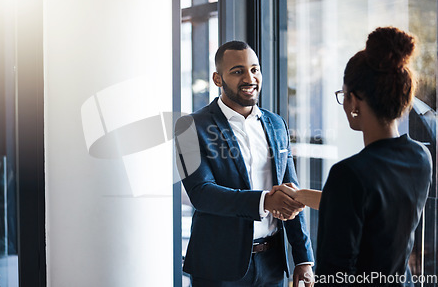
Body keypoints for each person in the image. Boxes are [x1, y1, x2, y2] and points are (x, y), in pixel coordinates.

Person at [175, 40, 314, 287]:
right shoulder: (189, 128)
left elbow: (291, 190)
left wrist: (303, 259)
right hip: (218, 267)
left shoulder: (277, 123)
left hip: (272, 265)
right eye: (238, 71)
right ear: (218, 79)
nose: (250, 78)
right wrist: (265, 201)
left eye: (255, 69)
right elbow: (202, 194)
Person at [313, 27, 432, 286]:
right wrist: (302, 196)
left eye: (343, 95)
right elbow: (376, 212)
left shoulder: (348, 174)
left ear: (354, 102)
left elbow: (333, 275)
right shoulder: (421, 157)